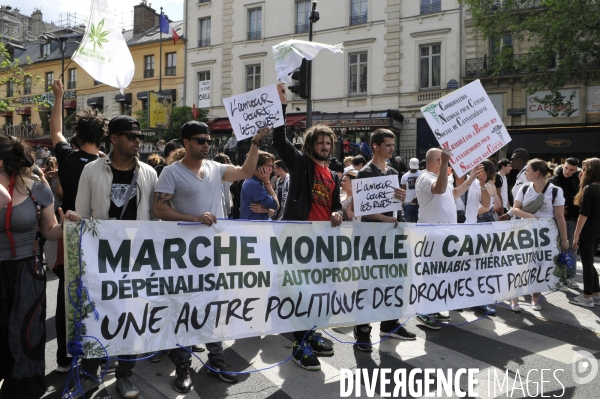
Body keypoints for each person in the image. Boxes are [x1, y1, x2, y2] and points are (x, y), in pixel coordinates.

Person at [154, 120, 270, 391]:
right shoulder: (172, 173)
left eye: (208, 141)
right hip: (184, 256)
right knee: (185, 307)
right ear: (186, 143)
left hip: (215, 254)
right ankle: (183, 364)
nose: (206, 145)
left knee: (213, 306)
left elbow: (245, 171)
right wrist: (193, 218)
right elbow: (159, 209)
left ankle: (216, 357)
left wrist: (254, 143)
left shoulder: (215, 168)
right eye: (200, 140)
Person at [75, 115, 157, 399]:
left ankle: (124, 375)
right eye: (131, 136)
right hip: (100, 259)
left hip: (136, 260)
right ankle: (89, 373)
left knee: (130, 318)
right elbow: (83, 216)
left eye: (139, 137)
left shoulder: (148, 173)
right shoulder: (92, 171)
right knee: (95, 315)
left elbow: (155, 219)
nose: (137, 141)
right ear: (113, 138)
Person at [0, 136, 80, 399]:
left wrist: (67, 224)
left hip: (28, 272)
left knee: (27, 332)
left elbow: (49, 230)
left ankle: (21, 391)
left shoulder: (37, 190)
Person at [272, 83, 341, 371]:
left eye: (328, 143)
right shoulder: (301, 164)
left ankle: (310, 333)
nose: (324, 147)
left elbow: (336, 204)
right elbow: (278, 139)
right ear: (310, 144)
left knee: (320, 290)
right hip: (300, 237)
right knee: (302, 292)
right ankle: (299, 346)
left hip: (323, 241)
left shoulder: (333, 174)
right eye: (319, 143)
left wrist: (338, 212)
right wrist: (281, 105)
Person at [50, 79, 106, 376]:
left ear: (79, 135)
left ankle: (63, 357)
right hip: (100, 237)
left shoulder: (69, 159)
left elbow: (55, 130)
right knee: (95, 296)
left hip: (71, 234)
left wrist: (59, 97)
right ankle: (94, 357)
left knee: (66, 297)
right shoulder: (108, 164)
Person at [353, 129, 416, 349]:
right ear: (376, 146)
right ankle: (362, 332)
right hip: (371, 238)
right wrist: (382, 217)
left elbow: (394, 203)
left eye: (393, 144)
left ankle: (390, 323)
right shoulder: (365, 173)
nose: (392, 148)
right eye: (388, 144)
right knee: (368, 283)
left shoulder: (392, 171)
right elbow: (361, 207)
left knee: (392, 280)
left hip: (390, 236)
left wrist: (402, 198)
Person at [415, 148, 482, 328]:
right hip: (432, 236)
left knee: (439, 273)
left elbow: (452, 193)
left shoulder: (441, 179)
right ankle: (422, 310)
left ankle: (431, 307)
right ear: (437, 161)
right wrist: (445, 163)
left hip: (444, 236)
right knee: (430, 274)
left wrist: (471, 178)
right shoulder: (425, 177)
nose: (449, 162)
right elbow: (440, 188)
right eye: (444, 160)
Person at [510, 159, 569, 312]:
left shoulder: (555, 191)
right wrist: (529, 216)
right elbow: (515, 209)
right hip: (525, 233)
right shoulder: (524, 189)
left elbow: (560, 216)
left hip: (546, 237)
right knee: (520, 265)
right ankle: (514, 299)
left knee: (542, 266)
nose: (525, 173)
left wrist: (564, 239)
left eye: (527, 170)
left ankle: (535, 299)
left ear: (537, 173)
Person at [571, 158, 600, 307]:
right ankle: (596, 294)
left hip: (588, 230)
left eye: (584, 168)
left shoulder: (590, 189)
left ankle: (587, 296)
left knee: (587, 263)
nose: (581, 171)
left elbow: (583, 214)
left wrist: (576, 236)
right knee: (590, 262)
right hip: (597, 229)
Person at [548, 158, 581, 289]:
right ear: (563, 166)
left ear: (576, 170)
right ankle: (557, 276)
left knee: (571, 248)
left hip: (572, 217)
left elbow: (580, 199)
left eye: (571, 170)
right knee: (556, 248)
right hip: (556, 218)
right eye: (566, 168)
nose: (568, 171)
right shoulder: (553, 180)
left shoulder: (578, 181)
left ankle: (570, 277)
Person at [240, 151, 279, 220]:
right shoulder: (253, 185)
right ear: (258, 167)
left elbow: (273, 212)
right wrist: (267, 183)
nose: (271, 169)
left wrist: (267, 210)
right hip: (256, 228)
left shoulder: (256, 182)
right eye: (268, 165)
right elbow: (275, 204)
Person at [400, 158, 422, 222]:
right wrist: (402, 203)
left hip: (419, 204)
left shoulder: (422, 175)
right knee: (408, 224)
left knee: (419, 224)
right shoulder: (404, 176)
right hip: (408, 203)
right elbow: (403, 190)